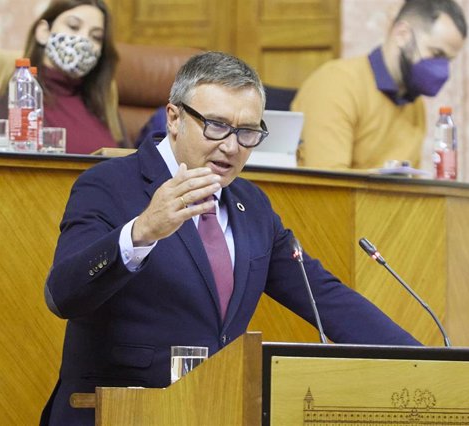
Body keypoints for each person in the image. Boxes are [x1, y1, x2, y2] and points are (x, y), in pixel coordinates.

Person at [41, 51, 420, 424]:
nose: (231, 146)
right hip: (112, 414)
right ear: (174, 118)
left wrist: (424, 362)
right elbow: (63, 295)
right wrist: (141, 232)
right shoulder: (107, 185)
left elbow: (323, 296)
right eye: (216, 125)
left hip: (212, 410)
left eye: (247, 132)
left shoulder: (251, 205)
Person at [291, 0, 467, 170]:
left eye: (448, 60)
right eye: (436, 53)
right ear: (402, 34)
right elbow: (328, 188)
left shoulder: (415, 105)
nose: (442, 69)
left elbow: (411, 189)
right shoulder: (336, 84)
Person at [0, 0, 127, 154]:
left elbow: (129, 160)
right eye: (73, 26)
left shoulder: (103, 98)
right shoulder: (20, 91)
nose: (84, 40)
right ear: (43, 32)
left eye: (96, 37)